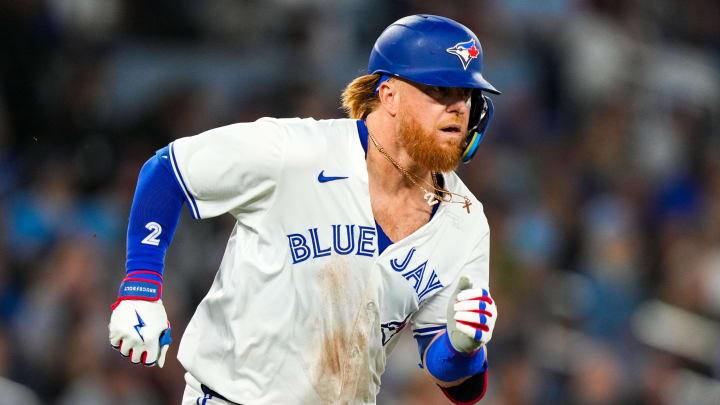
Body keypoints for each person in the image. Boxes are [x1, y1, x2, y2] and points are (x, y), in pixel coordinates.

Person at [108, 14, 500, 405]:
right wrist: (141, 288)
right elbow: (168, 171)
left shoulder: (464, 221)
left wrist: (463, 346)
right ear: (389, 95)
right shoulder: (298, 151)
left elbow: (458, 384)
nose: (458, 108)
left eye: (466, 94)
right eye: (439, 90)